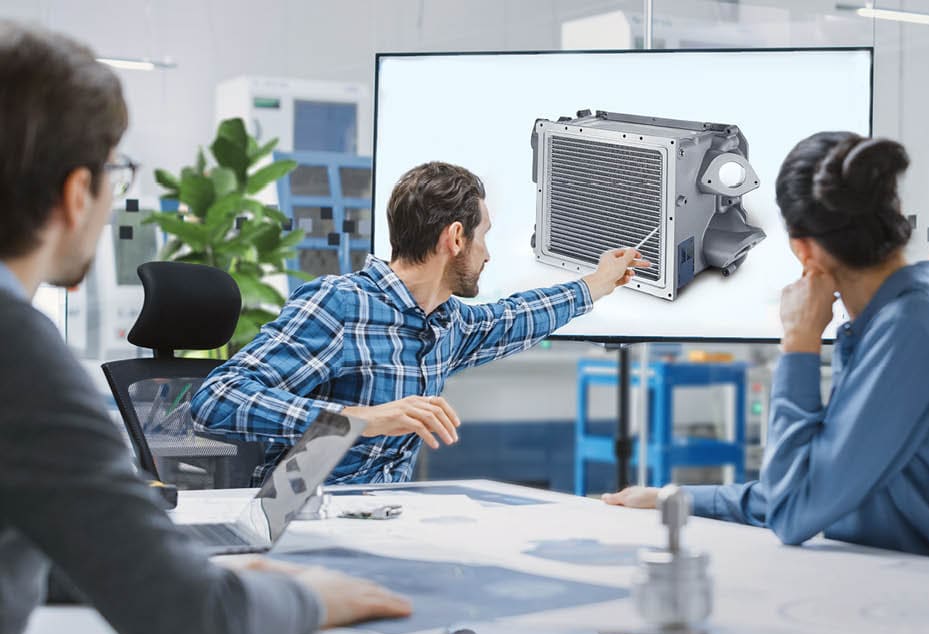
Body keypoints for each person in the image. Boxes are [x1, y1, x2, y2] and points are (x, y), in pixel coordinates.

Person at [0, 21, 410, 634]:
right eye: (117, 170)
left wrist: (170, 568)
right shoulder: (16, 353)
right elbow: (198, 627)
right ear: (78, 192)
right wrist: (312, 597)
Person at [603, 132, 929, 563]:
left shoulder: (910, 331)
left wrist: (798, 345)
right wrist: (673, 496)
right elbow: (811, 488)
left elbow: (792, 511)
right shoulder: (895, 323)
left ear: (804, 250)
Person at [191, 161, 647, 485]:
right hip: (305, 524)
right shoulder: (340, 306)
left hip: (386, 520)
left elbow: (514, 317)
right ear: (454, 238)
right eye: (483, 237)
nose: (486, 254)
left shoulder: (445, 323)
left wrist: (596, 283)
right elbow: (216, 397)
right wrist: (357, 420)